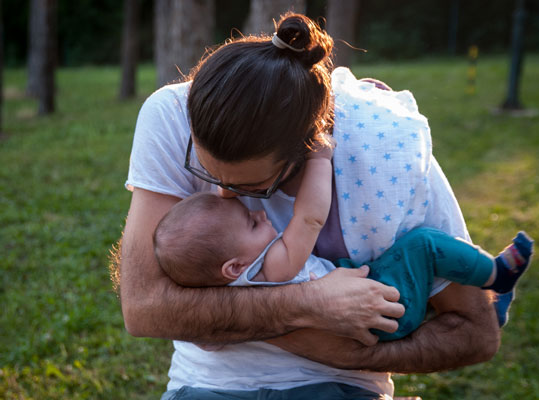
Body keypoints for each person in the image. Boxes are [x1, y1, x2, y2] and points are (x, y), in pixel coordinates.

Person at [121, 12, 504, 399]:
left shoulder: (390, 153)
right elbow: (144, 308)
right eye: (209, 175)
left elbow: (476, 332)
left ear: (310, 146)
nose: (228, 195)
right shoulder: (172, 116)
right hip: (207, 385)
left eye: (252, 185)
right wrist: (310, 306)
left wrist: (347, 357)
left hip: (342, 386)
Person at [153, 192, 532, 342]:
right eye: (252, 223)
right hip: (380, 311)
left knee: (407, 262)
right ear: (234, 268)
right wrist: (319, 156)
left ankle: (491, 307)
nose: (259, 213)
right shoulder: (273, 266)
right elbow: (310, 219)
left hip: (366, 302)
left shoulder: (238, 280)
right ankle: (497, 274)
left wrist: (227, 196)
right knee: (422, 245)